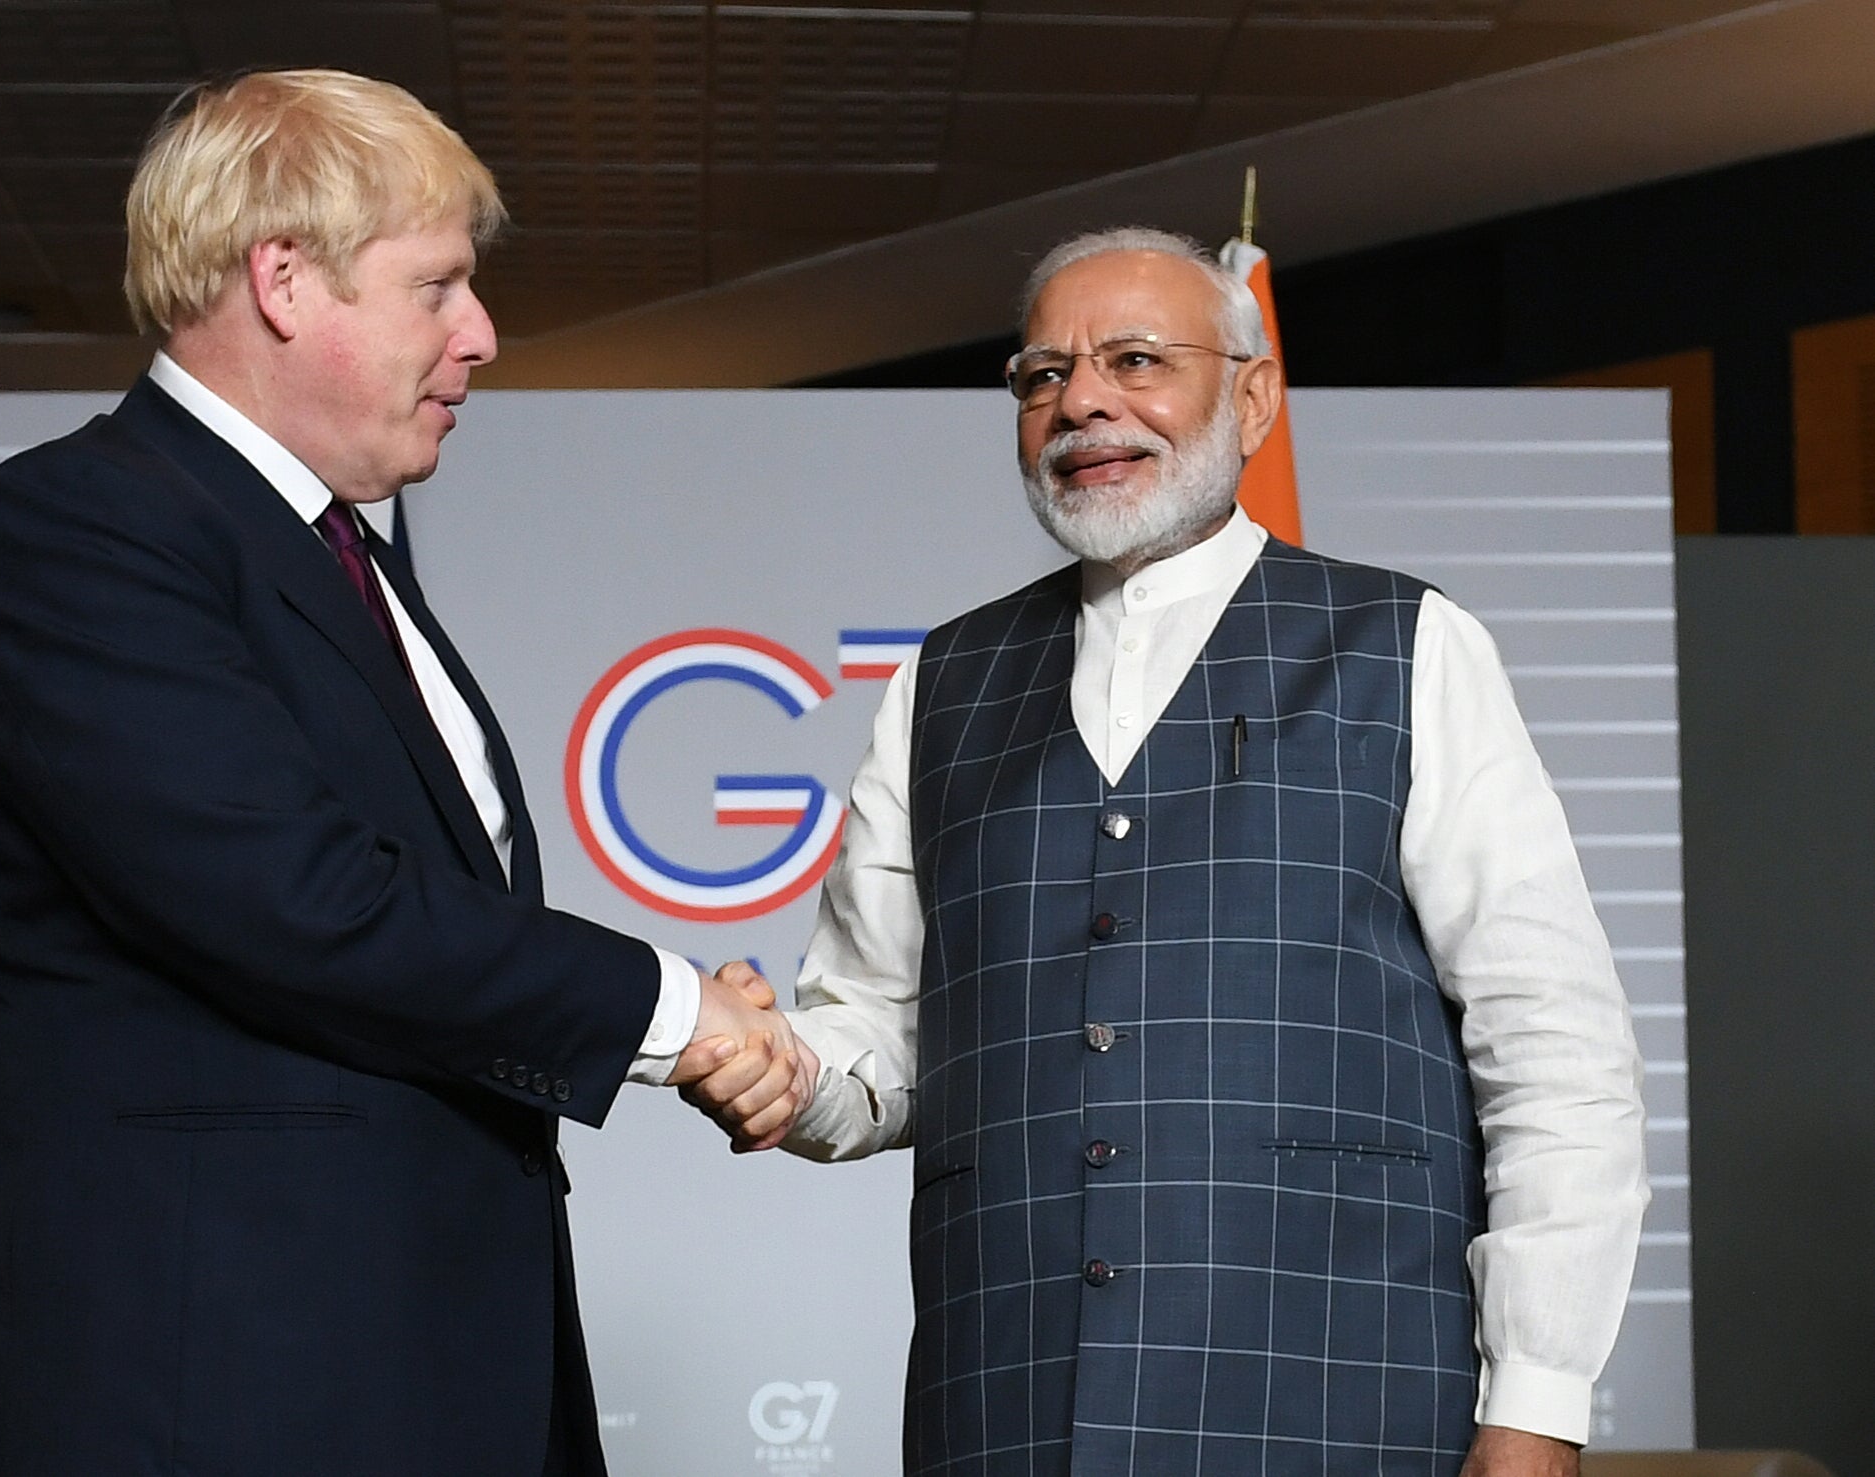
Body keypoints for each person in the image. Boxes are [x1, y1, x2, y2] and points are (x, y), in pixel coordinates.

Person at [0, 69, 807, 1477]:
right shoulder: (77, 529)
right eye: (438, 286)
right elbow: (297, 903)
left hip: (433, 1380)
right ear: (283, 280)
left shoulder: (339, 553)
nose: (482, 334)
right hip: (234, 1402)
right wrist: (672, 1010)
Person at [684, 227, 1647, 1476]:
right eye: (1040, 375)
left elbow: (1554, 1051)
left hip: (1342, 1401)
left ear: (1249, 399)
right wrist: (778, 1068)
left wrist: (1536, 1400)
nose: (1080, 399)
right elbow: (882, 1040)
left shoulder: (1405, 646)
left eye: (1134, 360)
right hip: (1010, 1411)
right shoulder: (942, 683)